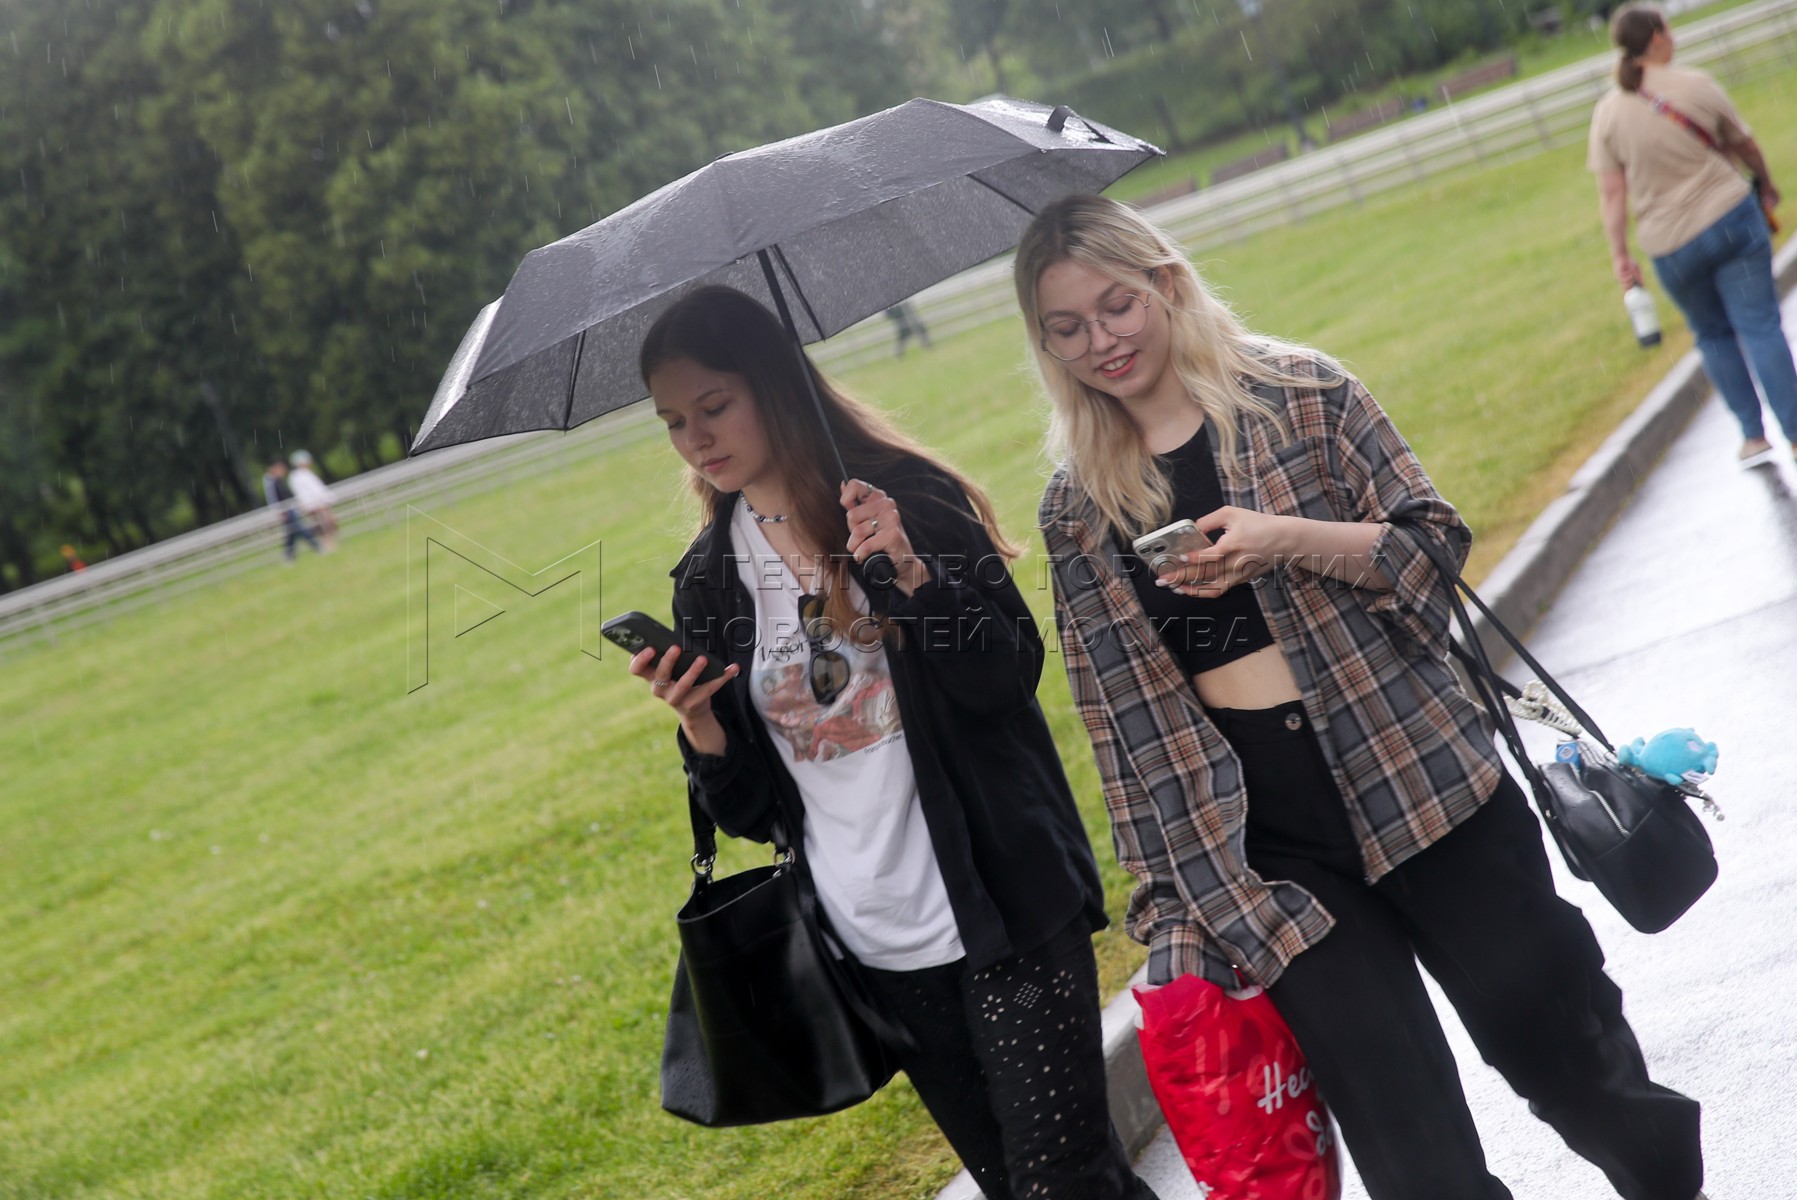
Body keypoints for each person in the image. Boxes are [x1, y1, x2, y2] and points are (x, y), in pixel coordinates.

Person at [1013, 194, 1706, 1200]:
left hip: (1425, 780)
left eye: (1115, 306)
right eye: (1066, 328)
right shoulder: (1078, 506)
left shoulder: (1303, 394)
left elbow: (1435, 551)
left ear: (1164, 282)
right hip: (1274, 853)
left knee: (1575, 1064)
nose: (1100, 342)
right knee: (1415, 1164)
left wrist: (1285, 540)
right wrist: (1171, 906)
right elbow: (1119, 720)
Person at [631, 285, 1157, 1200]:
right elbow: (754, 812)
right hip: (875, 944)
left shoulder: (901, 501)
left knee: (1059, 1185)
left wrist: (911, 575)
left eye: (713, 406)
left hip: (1003, 903)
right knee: (1042, 1185)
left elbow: (1005, 675)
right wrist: (702, 727)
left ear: (773, 385)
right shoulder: (709, 580)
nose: (695, 439)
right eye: (674, 422)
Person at [1590, 3, 1794, 467]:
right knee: (1760, 325)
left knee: (1712, 336)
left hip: (1670, 246)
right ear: (1657, 37)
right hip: (1729, 219)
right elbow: (1744, 144)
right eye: (1668, 28)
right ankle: (1796, 433)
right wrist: (1765, 182)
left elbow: (1612, 194)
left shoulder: (1607, 115)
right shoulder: (1695, 85)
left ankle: (1752, 436)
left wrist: (1621, 255)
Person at [262, 461, 321, 562]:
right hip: (285, 511)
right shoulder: (271, 481)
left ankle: (289, 555)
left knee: (291, 534)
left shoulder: (277, 480)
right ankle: (317, 546)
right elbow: (273, 498)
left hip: (289, 509)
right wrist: (278, 511)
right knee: (300, 529)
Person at [287, 450, 340, 550]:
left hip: (318, 501)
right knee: (321, 523)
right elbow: (304, 492)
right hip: (312, 503)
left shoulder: (306, 473)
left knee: (328, 521)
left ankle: (331, 540)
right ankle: (327, 542)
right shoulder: (296, 476)